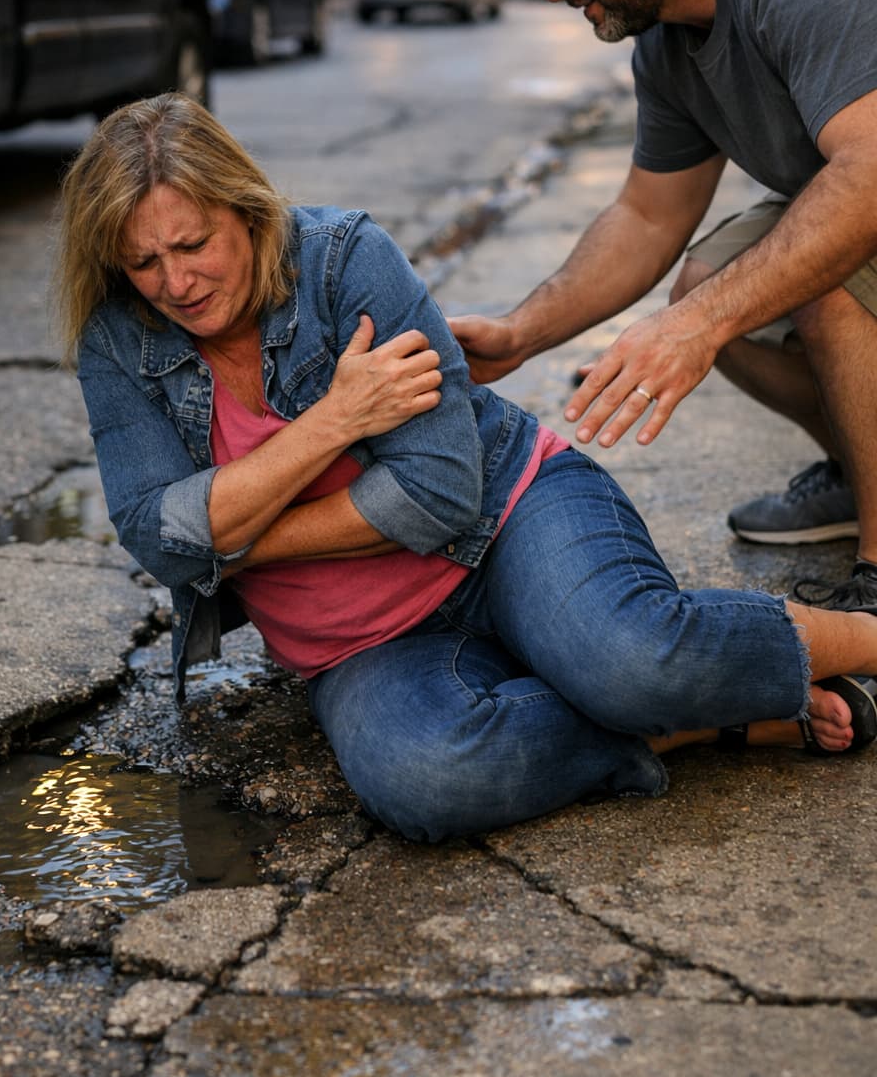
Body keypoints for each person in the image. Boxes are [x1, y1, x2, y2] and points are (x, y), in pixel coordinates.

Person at [53, 92, 877, 844]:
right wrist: (331, 424)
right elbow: (159, 537)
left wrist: (231, 537)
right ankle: (695, 719)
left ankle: (856, 644)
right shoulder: (120, 342)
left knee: (634, 661)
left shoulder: (342, 261)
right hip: (357, 643)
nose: (177, 282)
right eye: (144, 263)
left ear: (245, 209)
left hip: (506, 518)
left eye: (194, 245)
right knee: (427, 781)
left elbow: (435, 492)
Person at [458, 0, 877, 619]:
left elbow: (867, 176)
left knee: (809, 275)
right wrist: (520, 333)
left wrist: (697, 329)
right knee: (708, 281)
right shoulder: (667, 36)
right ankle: (860, 473)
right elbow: (648, 217)